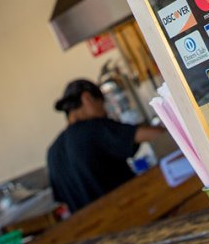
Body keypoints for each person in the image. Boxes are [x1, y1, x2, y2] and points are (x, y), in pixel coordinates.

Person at [47, 79, 163, 214]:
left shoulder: (52, 152)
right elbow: (154, 134)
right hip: (127, 216)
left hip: (94, 232)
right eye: (102, 105)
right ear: (87, 98)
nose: (105, 112)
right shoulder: (94, 128)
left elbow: (64, 203)